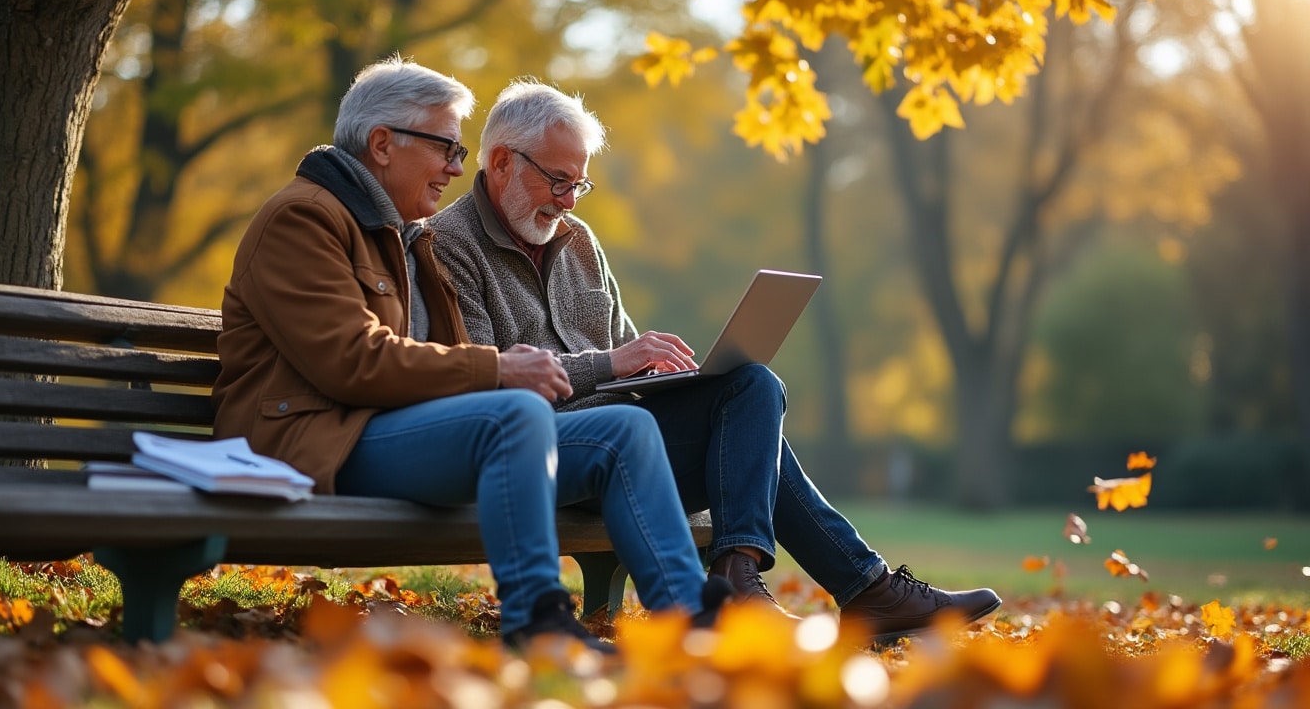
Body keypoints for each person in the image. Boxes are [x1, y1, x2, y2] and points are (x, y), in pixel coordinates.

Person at [427, 78, 1002, 642]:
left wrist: (669, 374)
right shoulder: (446, 244)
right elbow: (487, 381)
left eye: (580, 185)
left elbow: (625, 354)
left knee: (750, 386)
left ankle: (748, 575)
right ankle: (855, 589)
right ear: (501, 162)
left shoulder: (577, 240)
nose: (570, 201)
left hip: (632, 439)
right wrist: (610, 364)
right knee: (745, 425)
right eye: (558, 180)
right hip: (550, 455)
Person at [211, 57, 730, 655]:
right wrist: (500, 369)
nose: (458, 168)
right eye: (445, 148)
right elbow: (351, 362)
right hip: (314, 441)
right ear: (382, 144)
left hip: (385, 430)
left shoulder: (402, 232)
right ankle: (537, 618)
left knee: (626, 429)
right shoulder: (304, 218)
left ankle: (691, 625)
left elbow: (433, 358)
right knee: (517, 413)